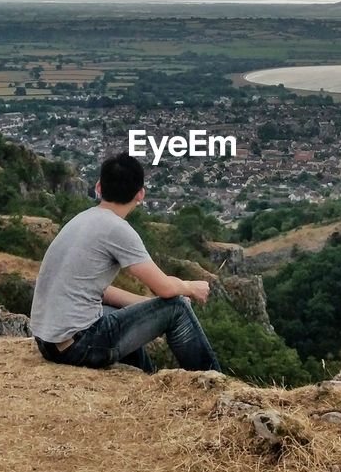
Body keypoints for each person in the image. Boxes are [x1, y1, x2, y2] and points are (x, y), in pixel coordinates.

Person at [30, 153, 220, 373]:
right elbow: (166, 288)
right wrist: (190, 287)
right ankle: (212, 382)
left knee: (120, 319)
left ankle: (146, 380)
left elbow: (95, 289)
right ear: (140, 194)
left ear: (99, 187)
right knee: (178, 307)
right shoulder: (117, 229)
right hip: (78, 345)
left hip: (49, 343)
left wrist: (143, 306)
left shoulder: (81, 220)